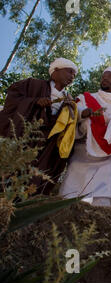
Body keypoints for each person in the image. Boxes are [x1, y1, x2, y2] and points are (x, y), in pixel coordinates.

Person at [59, 67, 111, 207]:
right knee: (70, 195)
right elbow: (71, 115)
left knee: (102, 197)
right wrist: (83, 114)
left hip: (110, 154)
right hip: (82, 151)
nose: (104, 78)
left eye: (109, 75)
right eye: (103, 76)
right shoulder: (86, 98)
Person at [0, 58, 78, 194]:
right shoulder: (33, 84)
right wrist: (34, 102)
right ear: (55, 71)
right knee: (10, 173)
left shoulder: (69, 100)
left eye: (74, 75)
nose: (72, 77)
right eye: (69, 72)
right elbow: (12, 99)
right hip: (25, 139)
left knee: (34, 181)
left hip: (46, 148)